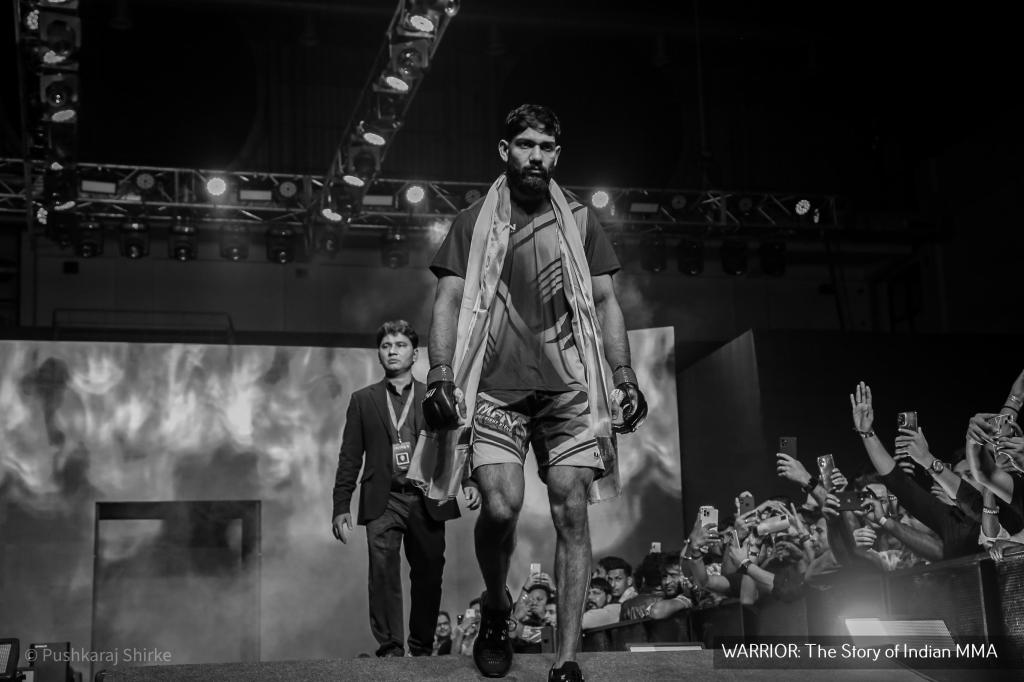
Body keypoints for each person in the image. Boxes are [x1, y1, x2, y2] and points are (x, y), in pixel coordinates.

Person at [413, 103, 648, 681]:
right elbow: (448, 299)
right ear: (505, 150)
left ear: (557, 155)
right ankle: (497, 604)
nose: (535, 156)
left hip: (568, 392)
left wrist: (623, 375)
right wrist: (439, 372)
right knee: (500, 506)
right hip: (495, 389)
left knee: (572, 507)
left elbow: (606, 300)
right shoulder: (473, 220)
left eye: (545, 147)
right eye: (525, 145)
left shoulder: (580, 220)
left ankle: (566, 660)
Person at [331, 320, 462, 657]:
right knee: (382, 573)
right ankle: (390, 646)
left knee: (429, 573)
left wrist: (471, 481)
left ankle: (421, 646)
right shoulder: (363, 400)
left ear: (414, 354)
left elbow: (454, 442)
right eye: (386, 346)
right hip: (383, 498)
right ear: (379, 353)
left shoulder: (433, 395)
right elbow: (350, 456)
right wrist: (341, 505)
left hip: (425, 496)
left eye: (400, 345)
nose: (393, 351)